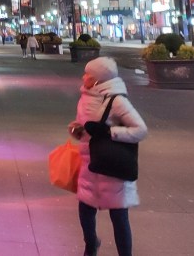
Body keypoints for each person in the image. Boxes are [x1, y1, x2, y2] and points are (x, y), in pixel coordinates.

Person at [68, 57, 148, 256]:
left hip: (111, 166)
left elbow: (140, 130)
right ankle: (91, 244)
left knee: (119, 216)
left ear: (97, 80)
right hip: (90, 162)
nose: (83, 77)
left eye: (88, 74)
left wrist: (111, 133)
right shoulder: (85, 96)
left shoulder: (117, 100)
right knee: (85, 209)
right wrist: (77, 130)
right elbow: (86, 127)